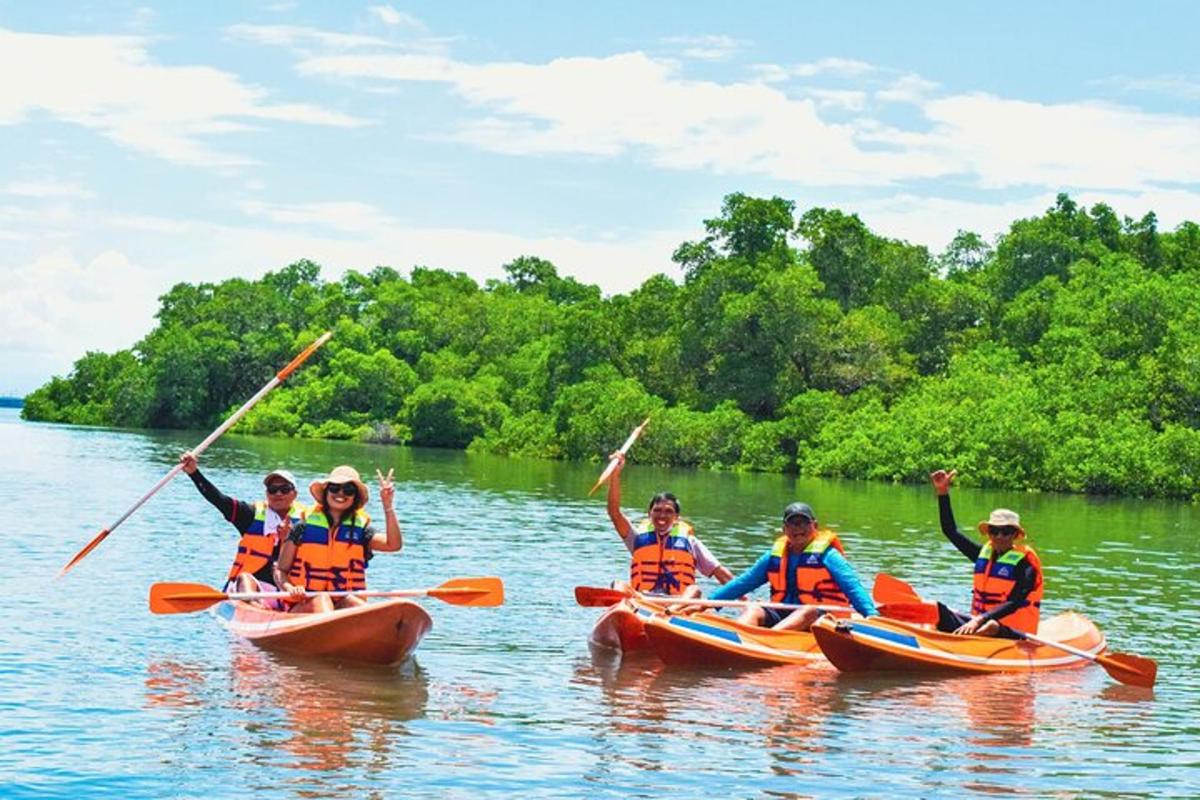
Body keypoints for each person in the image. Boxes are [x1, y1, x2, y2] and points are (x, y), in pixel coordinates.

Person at [706, 502, 877, 630]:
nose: (798, 529)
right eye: (792, 524)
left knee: (809, 610)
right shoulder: (773, 557)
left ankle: (767, 639)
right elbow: (743, 583)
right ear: (784, 529)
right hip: (784, 614)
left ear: (814, 526)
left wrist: (871, 616)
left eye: (803, 523)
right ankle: (739, 637)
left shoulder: (829, 556)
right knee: (754, 608)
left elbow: (853, 588)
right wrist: (708, 604)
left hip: (822, 620)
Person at [179, 451, 305, 607]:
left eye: (285, 489)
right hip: (252, 586)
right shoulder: (250, 514)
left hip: (289, 590)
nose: (278, 494)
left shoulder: (306, 521)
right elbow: (218, 499)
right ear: (266, 494)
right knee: (245, 577)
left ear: (295, 494)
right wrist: (194, 473)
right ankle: (255, 607)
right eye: (272, 490)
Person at [930, 468, 1043, 638]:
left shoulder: (1026, 565)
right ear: (988, 533)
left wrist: (980, 619)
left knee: (991, 625)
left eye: (1005, 532)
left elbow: (1014, 602)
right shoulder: (983, 555)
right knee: (937, 610)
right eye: (994, 531)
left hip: (1013, 632)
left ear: (1015, 535)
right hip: (979, 622)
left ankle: (970, 638)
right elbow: (950, 531)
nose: (999, 536)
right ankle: (961, 638)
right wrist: (942, 492)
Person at [605, 451, 733, 598]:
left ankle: (669, 614)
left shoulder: (690, 542)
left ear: (677, 517)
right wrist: (615, 475)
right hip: (643, 599)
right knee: (618, 585)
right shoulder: (637, 538)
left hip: (677, 602)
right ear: (649, 514)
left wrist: (746, 601)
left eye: (668, 511)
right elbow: (614, 513)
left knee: (694, 590)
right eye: (657, 510)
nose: (662, 515)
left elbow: (720, 573)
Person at [276, 465, 402, 613]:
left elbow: (393, 545)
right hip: (305, 602)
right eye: (335, 488)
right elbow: (281, 570)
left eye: (348, 490)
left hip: (342, 604)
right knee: (321, 598)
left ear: (355, 496)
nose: (340, 493)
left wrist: (388, 505)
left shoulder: (362, 532)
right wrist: (290, 588)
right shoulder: (302, 528)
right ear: (326, 492)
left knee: (352, 601)